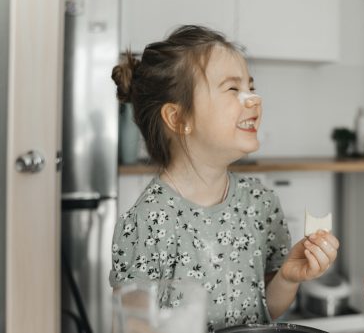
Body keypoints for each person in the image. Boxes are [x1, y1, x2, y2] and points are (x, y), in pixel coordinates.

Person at [109, 25, 339, 332]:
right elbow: (134, 327)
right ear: (179, 119)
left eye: (251, 87)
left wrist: (287, 277)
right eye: (233, 89)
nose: (253, 99)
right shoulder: (147, 222)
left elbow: (265, 312)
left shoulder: (260, 202)